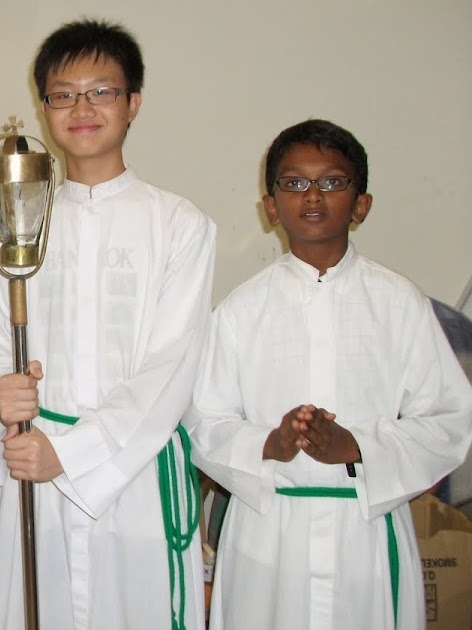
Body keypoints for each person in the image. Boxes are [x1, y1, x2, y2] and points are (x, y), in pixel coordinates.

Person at [0, 19, 216, 630]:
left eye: (101, 91)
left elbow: (171, 367)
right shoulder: (19, 222)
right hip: (35, 465)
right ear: (44, 107)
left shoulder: (178, 225)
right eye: (63, 94)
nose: (81, 108)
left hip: (132, 473)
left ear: (133, 103)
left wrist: (71, 453)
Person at [183, 119, 472, 630]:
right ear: (271, 206)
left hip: (363, 533)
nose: (312, 195)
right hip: (268, 538)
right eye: (294, 182)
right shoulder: (241, 310)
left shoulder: (399, 303)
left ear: (361, 204)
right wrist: (270, 444)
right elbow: (204, 422)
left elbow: (448, 421)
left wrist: (357, 447)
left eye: (332, 181)